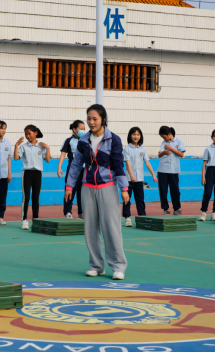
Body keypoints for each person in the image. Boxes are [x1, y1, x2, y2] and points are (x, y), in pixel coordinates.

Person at [65, 104, 129, 280]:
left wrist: (124, 188)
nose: (91, 122)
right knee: (90, 229)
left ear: (103, 120)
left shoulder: (113, 139)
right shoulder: (83, 140)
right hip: (87, 188)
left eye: (95, 119)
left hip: (107, 187)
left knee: (111, 228)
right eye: (89, 118)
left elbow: (118, 164)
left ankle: (118, 266)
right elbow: (77, 164)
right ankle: (96, 265)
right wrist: (69, 186)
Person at [14, 125, 51, 230]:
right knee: (26, 197)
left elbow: (47, 160)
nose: (27, 136)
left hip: (38, 174)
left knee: (36, 198)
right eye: (26, 134)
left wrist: (48, 148)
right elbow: (16, 158)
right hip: (27, 173)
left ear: (36, 133)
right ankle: (24, 220)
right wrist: (16, 146)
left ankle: (35, 220)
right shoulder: (23, 147)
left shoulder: (42, 146)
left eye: (29, 133)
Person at [123, 127, 157, 227]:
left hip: (139, 179)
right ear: (130, 136)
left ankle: (142, 217)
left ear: (140, 136)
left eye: (138, 134)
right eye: (134, 134)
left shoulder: (142, 149)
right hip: (129, 179)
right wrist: (132, 176)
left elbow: (147, 162)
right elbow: (128, 164)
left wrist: (153, 175)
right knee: (127, 199)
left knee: (140, 199)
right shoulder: (127, 149)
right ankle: (127, 218)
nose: (136, 136)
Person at [58, 120, 85, 219]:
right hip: (72, 170)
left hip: (84, 169)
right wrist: (59, 167)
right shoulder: (69, 140)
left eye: (84, 129)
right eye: (81, 129)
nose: (83, 131)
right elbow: (63, 153)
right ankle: (67, 212)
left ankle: (81, 212)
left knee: (82, 192)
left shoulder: (86, 140)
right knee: (70, 190)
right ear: (74, 130)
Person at [157, 126, 186, 215]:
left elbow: (181, 154)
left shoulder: (179, 141)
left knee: (175, 190)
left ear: (169, 134)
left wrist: (171, 148)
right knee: (163, 190)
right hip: (163, 169)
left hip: (174, 170)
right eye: (162, 137)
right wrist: (164, 152)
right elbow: (159, 155)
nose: (163, 138)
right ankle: (165, 209)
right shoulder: (163, 143)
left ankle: (176, 209)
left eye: (164, 136)